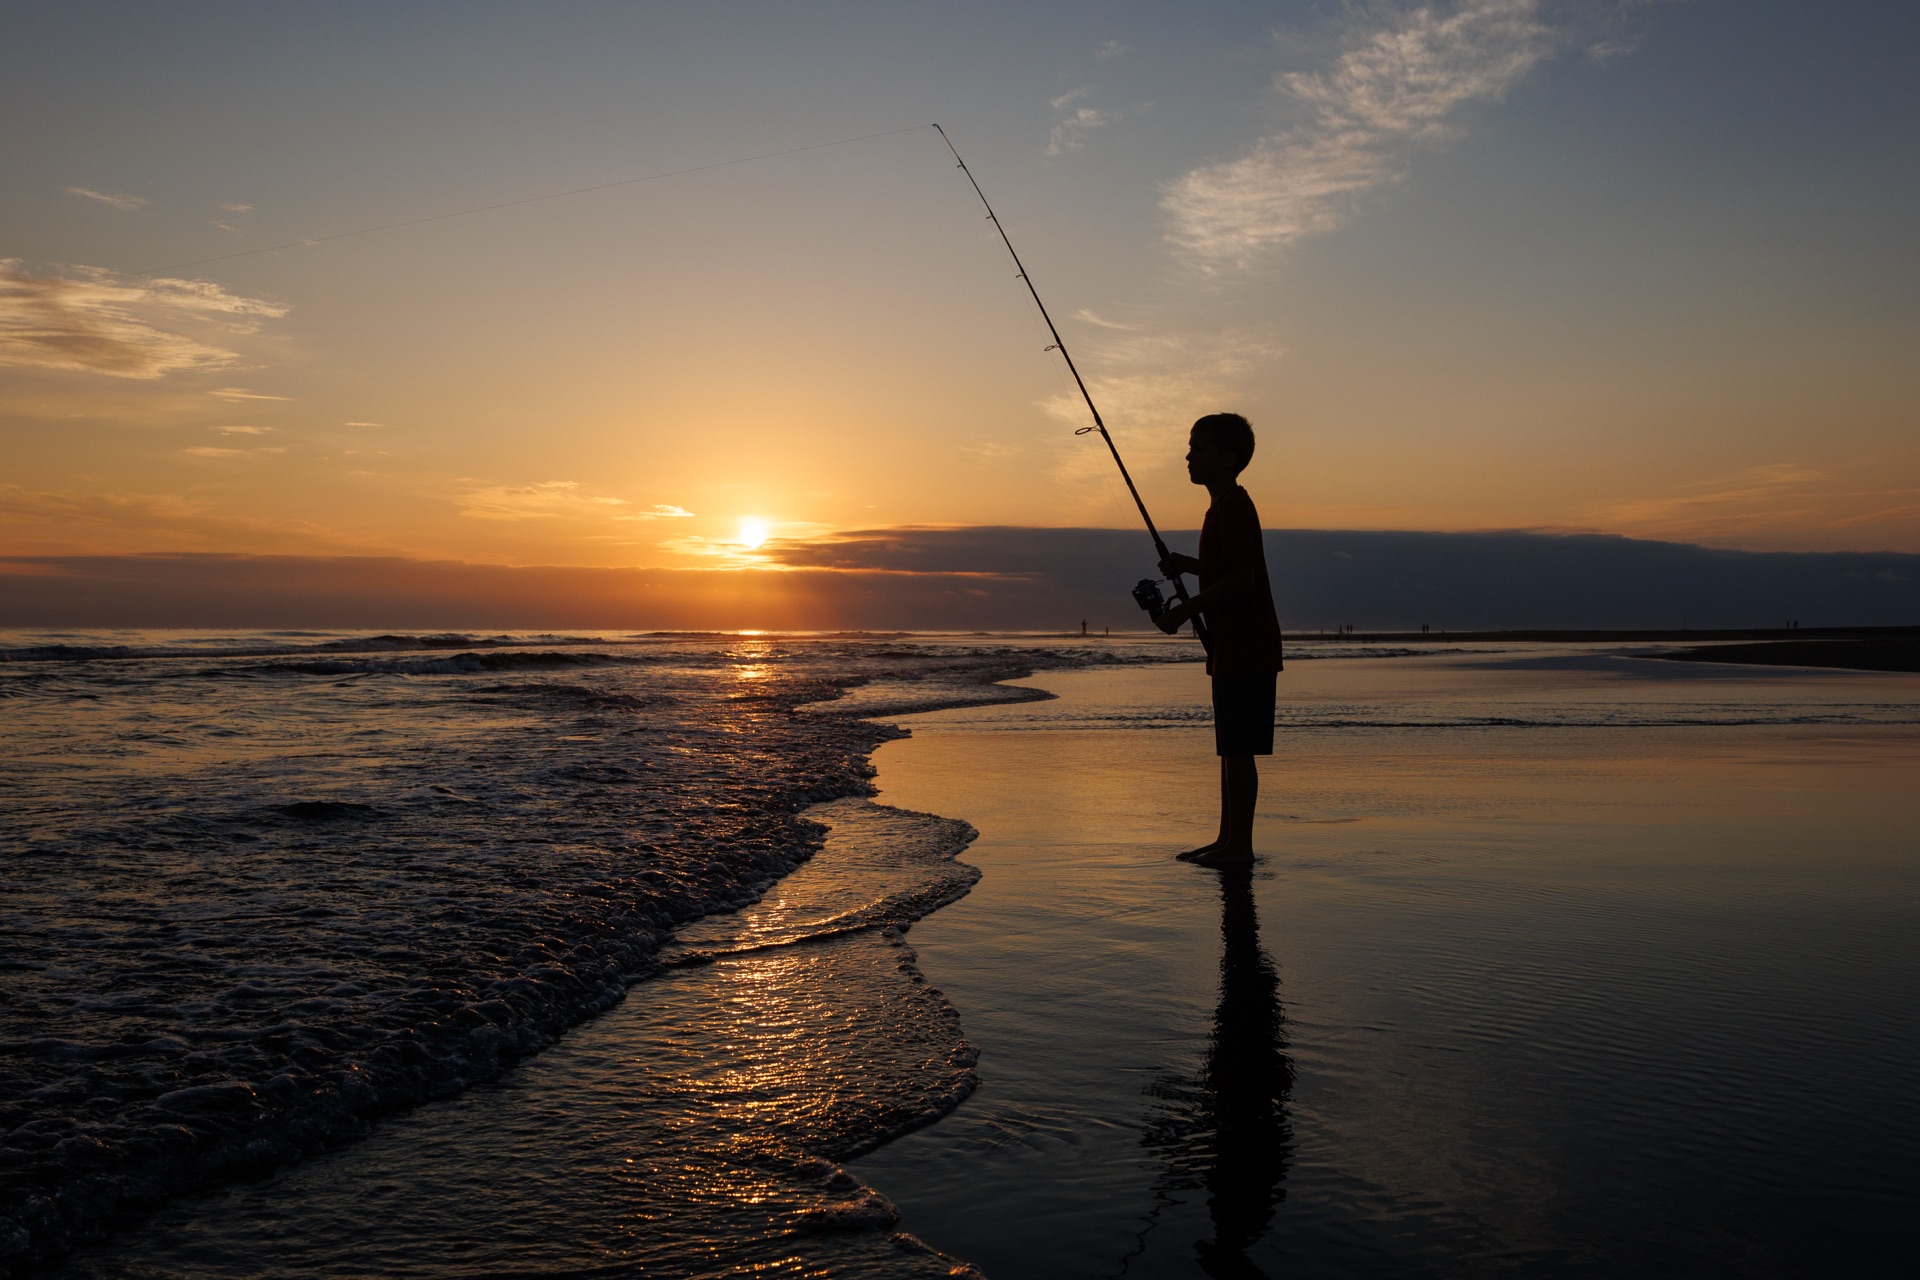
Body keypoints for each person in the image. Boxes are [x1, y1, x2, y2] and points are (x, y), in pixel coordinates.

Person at [1152, 413, 1284, 866]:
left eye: (1199, 449)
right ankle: (1227, 839)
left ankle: (1240, 847)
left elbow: (1242, 579)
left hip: (1248, 645)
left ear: (1227, 458)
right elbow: (1226, 570)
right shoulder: (1220, 508)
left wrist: (1185, 610)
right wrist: (1189, 565)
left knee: (1240, 749)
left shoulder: (1235, 507)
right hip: (1232, 646)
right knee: (1230, 747)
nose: (1188, 456)